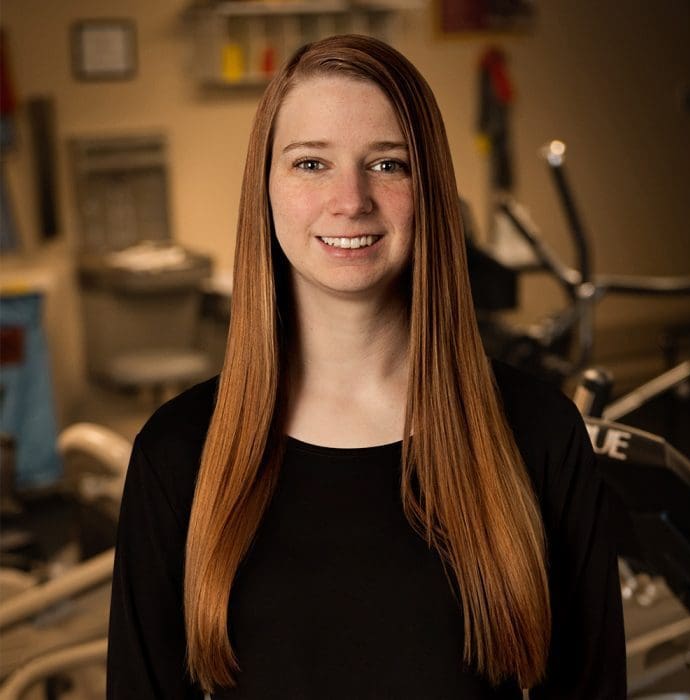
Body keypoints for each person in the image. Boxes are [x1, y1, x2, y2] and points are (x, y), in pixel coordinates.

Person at [107, 35, 626, 699]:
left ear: (430, 189)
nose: (350, 200)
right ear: (265, 189)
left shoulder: (538, 435)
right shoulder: (179, 454)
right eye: (311, 163)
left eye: (387, 164)